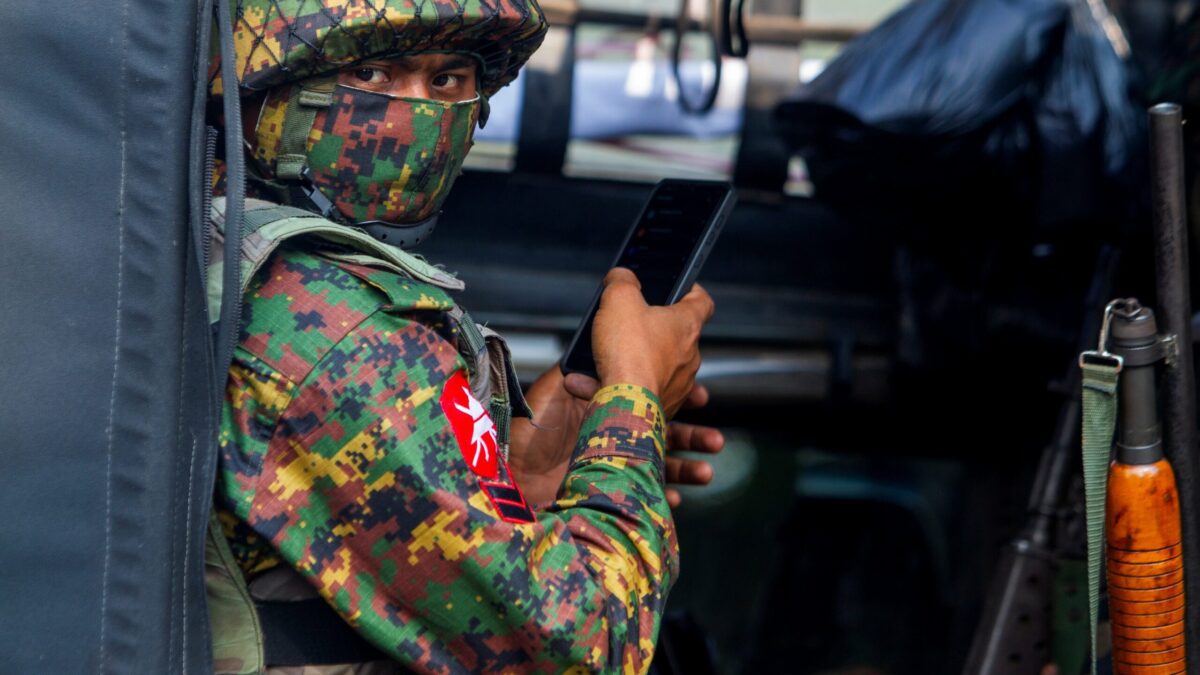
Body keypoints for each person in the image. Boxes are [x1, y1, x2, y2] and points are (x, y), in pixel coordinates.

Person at [206, 1, 725, 673]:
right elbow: (584, 643)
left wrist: (509, 476)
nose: (420, 111)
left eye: (448, 80)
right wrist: (633, 398)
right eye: (373, 72)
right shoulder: (339, 325)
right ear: (262, 87)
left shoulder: (226, 250)